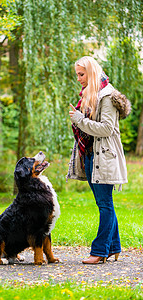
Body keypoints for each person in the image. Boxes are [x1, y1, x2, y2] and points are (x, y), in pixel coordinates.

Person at [67, 56, 131, 264]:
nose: (79, 78)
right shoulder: (89, 94)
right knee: (104, 204)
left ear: (92, 73)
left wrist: (79, 119)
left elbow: (106, 129)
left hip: (104, 157)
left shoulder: (107, 96)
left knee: (105, 205)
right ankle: (113, 247)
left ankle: (100, 251)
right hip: (91, 156)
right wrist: (79, 119)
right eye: (77, 74)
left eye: (81, 74)